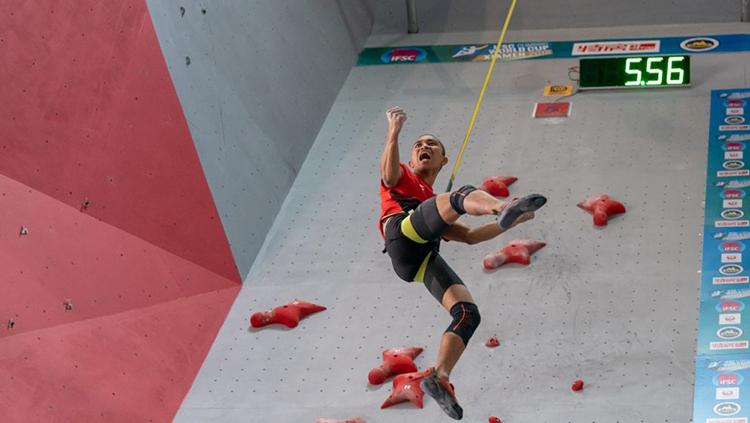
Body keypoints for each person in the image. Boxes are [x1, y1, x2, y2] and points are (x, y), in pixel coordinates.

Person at [379, 106, 546, 420]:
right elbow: (388, 174)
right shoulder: (402, 176)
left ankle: (440, 376)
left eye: (432, 145)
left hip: (417, 262)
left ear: (443, 161)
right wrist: (394, 130)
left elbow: (469, 236)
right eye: (418, 146)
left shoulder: (433, 201)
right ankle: (501, 205)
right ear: (411, 160)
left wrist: (513, 223)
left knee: (468, 314)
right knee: (462, 195)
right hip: (401, 234)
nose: (423, 147)